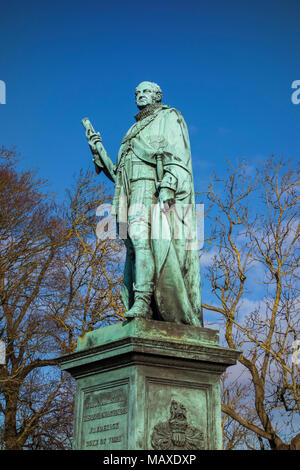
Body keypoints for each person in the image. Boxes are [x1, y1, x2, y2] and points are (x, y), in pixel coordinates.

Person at [85, 81, 202, 327]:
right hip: (128, 191)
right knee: (133, 246)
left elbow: (178, 153)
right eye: (137, 92)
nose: (140, 95)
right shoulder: (133, 130)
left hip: (150, 186)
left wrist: (169, 183)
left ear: (158, 96)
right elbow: (119, 173)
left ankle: (142, 301)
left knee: (139, 237)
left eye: (146, 91)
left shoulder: (169, 116)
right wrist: (98, 149)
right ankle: (144, 306)